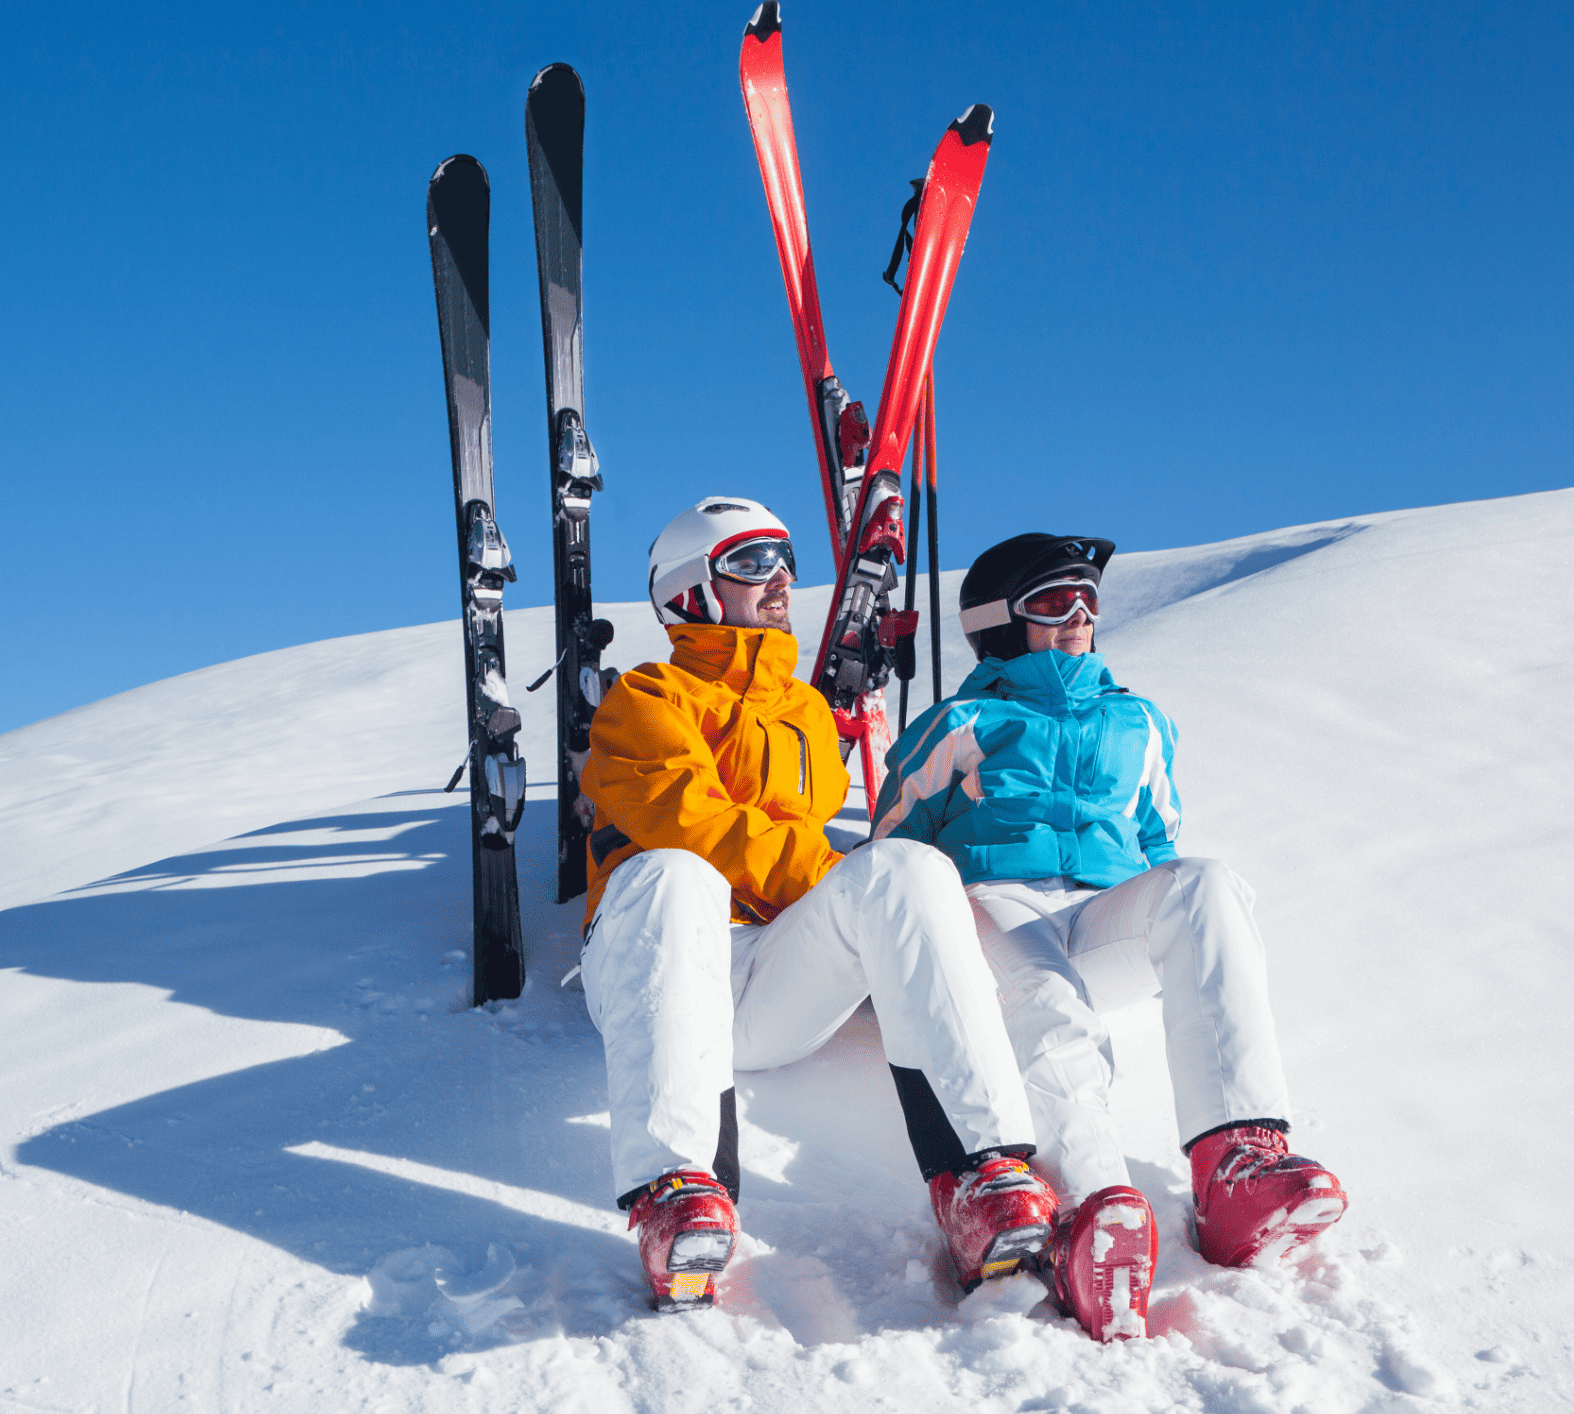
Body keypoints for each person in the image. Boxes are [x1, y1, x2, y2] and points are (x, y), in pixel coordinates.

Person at [578, 497, 1058, 1312]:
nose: (782, 580)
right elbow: (701, 828)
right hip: (657, 968)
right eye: (753, 563)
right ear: (693, 590)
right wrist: (834, 883)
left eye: (785, 560)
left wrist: (874, 909)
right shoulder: (645, 700)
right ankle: (677, 1191)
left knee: (903, 867)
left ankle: (982, 1176)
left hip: (768, 979)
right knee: (678, 872)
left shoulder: (803, 713)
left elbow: (817, 859)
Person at [873, 532, 1349, 1343]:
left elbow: (1159, 842)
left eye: (1089, 602)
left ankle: (1238, 1168)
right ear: (998, 622)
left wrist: (1159, 906)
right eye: (1055, 602)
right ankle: (1092, 1211)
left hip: (1101, 911)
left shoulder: (1141, 721)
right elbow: (894, 846)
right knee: (1047, 999)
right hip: (995, 901)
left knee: (1206, 884)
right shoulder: (961, 720)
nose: (1080, 616)